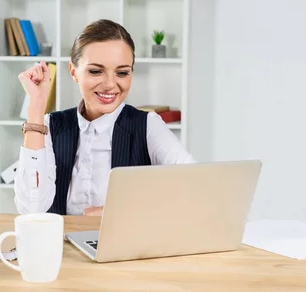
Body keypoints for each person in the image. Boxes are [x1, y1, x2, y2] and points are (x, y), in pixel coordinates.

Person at [14, 19, 195, 216]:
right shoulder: (50, 125)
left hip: (126, 244)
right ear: (74, 72)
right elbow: (31, 208)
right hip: (61, 244)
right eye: (96, 71)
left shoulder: (147, 124)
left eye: (122, 72)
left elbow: (193, 186)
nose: (110, 84)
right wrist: (36, 105)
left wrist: (115, 212)